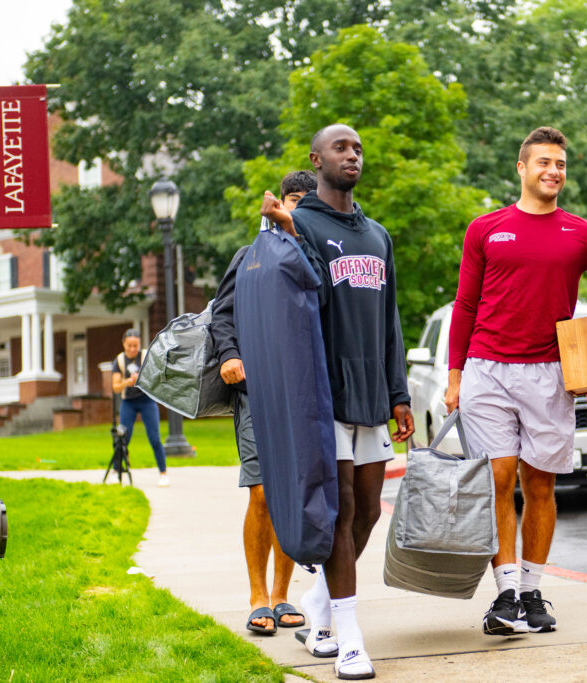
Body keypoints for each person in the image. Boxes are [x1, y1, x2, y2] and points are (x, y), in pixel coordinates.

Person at [445, 126, 587, 636]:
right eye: (543, 163)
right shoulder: (485, 229)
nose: (553, 171)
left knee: (540, 484)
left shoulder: (582, 234)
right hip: (486, 370)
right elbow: (466, 305)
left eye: (560, 164)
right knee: (498, 479)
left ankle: (533, 592)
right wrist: (454, 375)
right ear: (521, 168)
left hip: (550, 375)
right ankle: (505, 594)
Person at [260, 124, 414, 681]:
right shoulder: (299, 223)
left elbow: (389, 319)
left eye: (357, 148)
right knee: (342, 510)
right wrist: (284, 229)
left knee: (371, 510)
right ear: (316, 158)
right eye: (340, 147)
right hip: (322, 394)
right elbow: (291, 297)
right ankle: (346, 638)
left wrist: (399, 393)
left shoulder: (377, 234)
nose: (352, 155)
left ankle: (320, 602)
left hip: (371, 393)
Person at [211, 171, 317, 636]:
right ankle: (257, 597)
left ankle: (281, 594)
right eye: (291, 201)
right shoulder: (249, 257)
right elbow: (222, 314)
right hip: (256, 392)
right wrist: (229, 355)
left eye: (304, 204)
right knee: (262, 492)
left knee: (290, 495)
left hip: (303, 394)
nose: (293, 211)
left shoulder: (317, 257)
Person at [111, 328, 170, 487]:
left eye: (135, 346)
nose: (132, 349)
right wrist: (127, 382)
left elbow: (157, 377)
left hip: (147, 401)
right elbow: (116, 387)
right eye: (129, 345)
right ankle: (116, 471)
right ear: (124, 344)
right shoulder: (119, 361)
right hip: (128, 402)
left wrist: (142, 379)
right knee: (123, 438)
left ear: (139, 345)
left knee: (154, 437)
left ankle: (163, 474)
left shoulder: (145, 356)